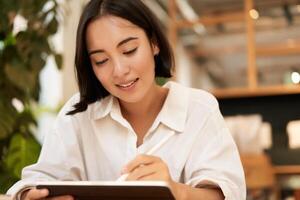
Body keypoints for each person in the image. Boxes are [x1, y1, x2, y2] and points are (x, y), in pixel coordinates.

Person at [7, 0, 246, 199]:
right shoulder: (79, 115)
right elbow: (33, 182)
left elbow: (227, 193)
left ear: (153, 43)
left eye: (129, 50)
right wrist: (31, 195)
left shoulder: (198, 109)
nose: (119, 70)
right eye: (101, 60)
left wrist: (176, 190)